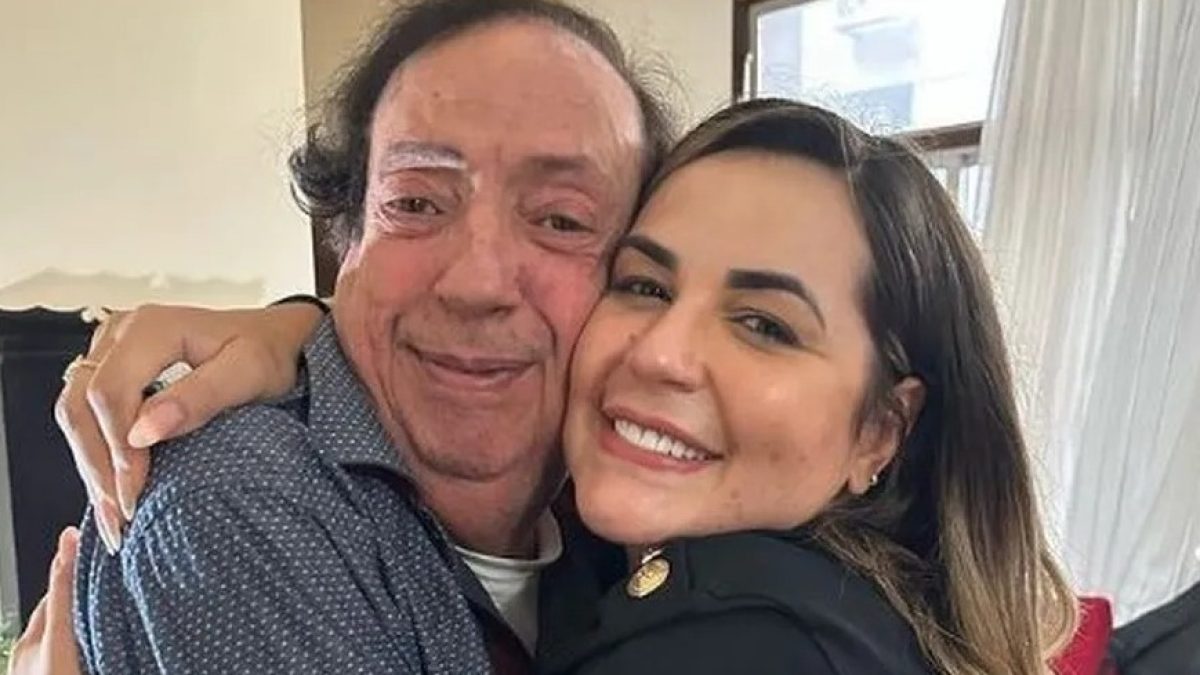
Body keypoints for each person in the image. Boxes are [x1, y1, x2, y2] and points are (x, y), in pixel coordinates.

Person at [16, 98, 1080, 674]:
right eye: (644, 283)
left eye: (765, 324)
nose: (662, 354)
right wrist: (315, 328)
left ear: (882, 430)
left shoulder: (742, 642)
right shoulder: (624, 545)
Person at [11, 0, 672, 673]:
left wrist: (300, 320)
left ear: (640, 282)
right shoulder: (241, 498)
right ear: (348, 235)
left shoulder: (617, 502)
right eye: (415, 203)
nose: (477, 283)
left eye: (562, 220)